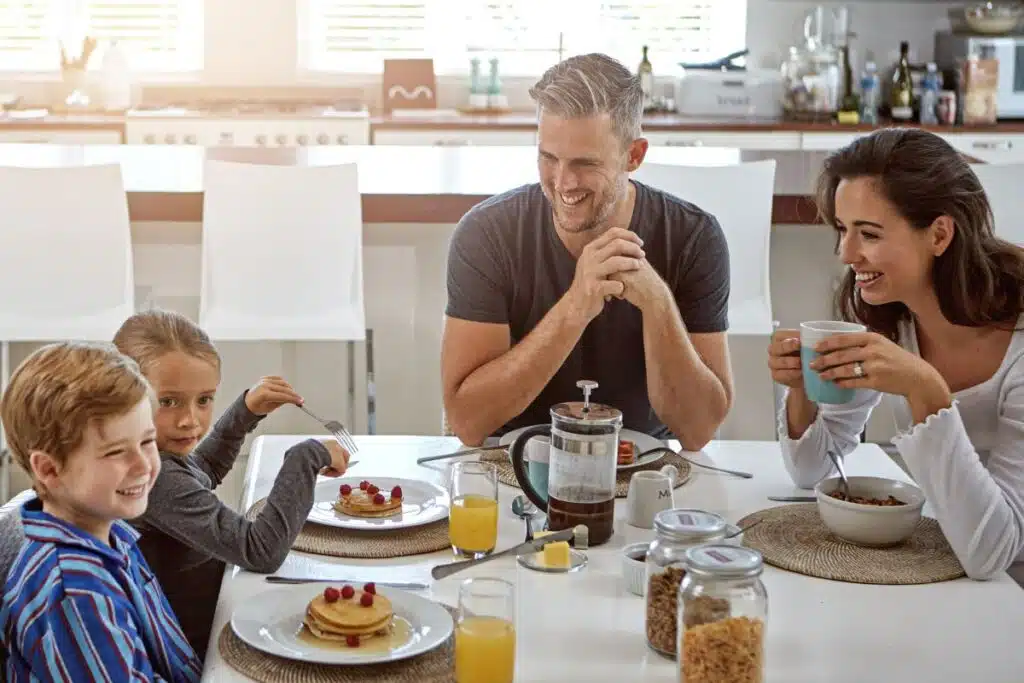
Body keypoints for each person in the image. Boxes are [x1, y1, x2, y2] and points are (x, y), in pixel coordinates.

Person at [767, 127, 1024, 581]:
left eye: (868, 234)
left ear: (939, 234)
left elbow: (993, 551)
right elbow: (810, 473)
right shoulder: (891, 315)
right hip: (956, 566)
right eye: (843, 230)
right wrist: (802, 391)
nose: (846, 253)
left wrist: (924, 388)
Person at [442, 53, 733, 449]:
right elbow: (468, 422)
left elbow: (698, 432)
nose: (563, 183)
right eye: (548, 158)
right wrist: (576, 306)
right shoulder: (486, 233)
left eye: (584, 163)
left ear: (634, 155)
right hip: (511, 460)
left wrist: (658, 303)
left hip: (643, 465)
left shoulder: (695, 237)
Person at [113, 309, 351, 658]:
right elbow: (260, 551)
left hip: (218, 609)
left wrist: (245, 412)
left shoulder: (149, 456)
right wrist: (306, 458)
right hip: (202, 648)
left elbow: (201, 468)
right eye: (168, 401)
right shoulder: (155, 477)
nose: (189, 420)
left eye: (204, 400)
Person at [0, 341, 201, 682]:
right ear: (49, 469)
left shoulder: (109, 529)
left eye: (147, 442)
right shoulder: (75, 595)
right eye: (115, 452)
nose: (143, 466)